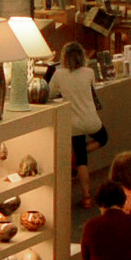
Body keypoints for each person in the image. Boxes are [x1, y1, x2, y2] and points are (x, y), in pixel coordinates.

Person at [49, 42, 106, 209]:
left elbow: (50, 92)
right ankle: (75, 157)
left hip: (72, 124)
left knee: (82, 160)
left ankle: (86, 197)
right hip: (91, 120)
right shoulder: (89, 72)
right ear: (82, 56)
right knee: (103, 138)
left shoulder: (59, 74)